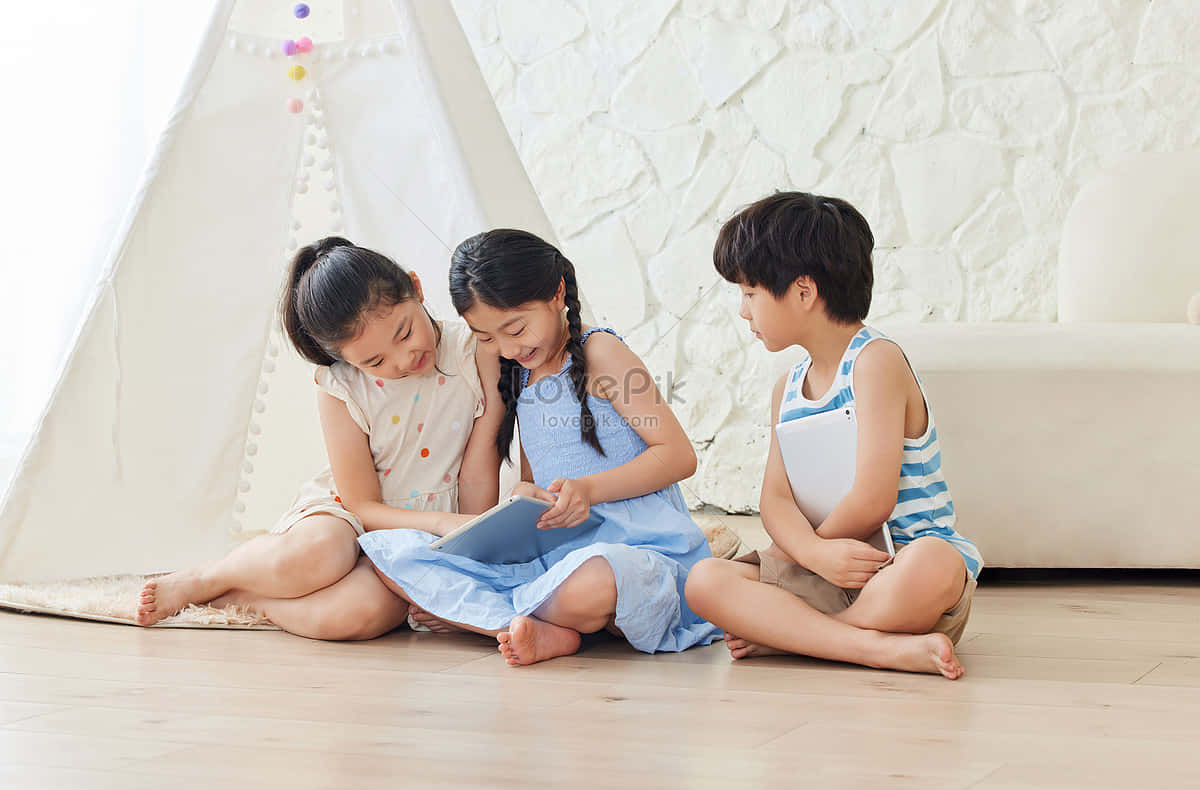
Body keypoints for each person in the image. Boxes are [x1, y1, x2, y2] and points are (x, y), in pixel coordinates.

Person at [358, 229, 720, 665]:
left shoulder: (600, 351)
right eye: (487, 338)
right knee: (391, 556)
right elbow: (536, 479)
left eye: (515, 328)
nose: (507, 348)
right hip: (559, 551)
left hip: (635, 548)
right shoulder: (519, 374)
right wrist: (525, 499)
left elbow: (678, 455)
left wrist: (588, 491)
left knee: (597, 580)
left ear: (556, 294)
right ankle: (546, 624)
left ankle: (489, 617)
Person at [135, 237, 503, 639]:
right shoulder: (340, 386)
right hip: (349, 515)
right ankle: (211, 577)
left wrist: (463, 551)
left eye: (404, 333)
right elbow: (361, 504)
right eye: (374, 361)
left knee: (361, 615)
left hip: (426, 532)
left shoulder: (476, 352)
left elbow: (480, 464)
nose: (403, 359)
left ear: (416, 288)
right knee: (320, 555)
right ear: (346, 360)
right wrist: (442, 523)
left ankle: (246, 599)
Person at [684, 192, 983, 679]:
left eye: (750, 293)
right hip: (821, 562)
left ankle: (800, 637)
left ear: (804, 292)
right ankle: (870, 647)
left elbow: (873, 498)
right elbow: (775, 500)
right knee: (704, 580)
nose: (743, 311)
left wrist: (814, 554)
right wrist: (813, 555)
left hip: (893, 564)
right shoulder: (788, 386)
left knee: (937, 564)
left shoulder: (875, 362)